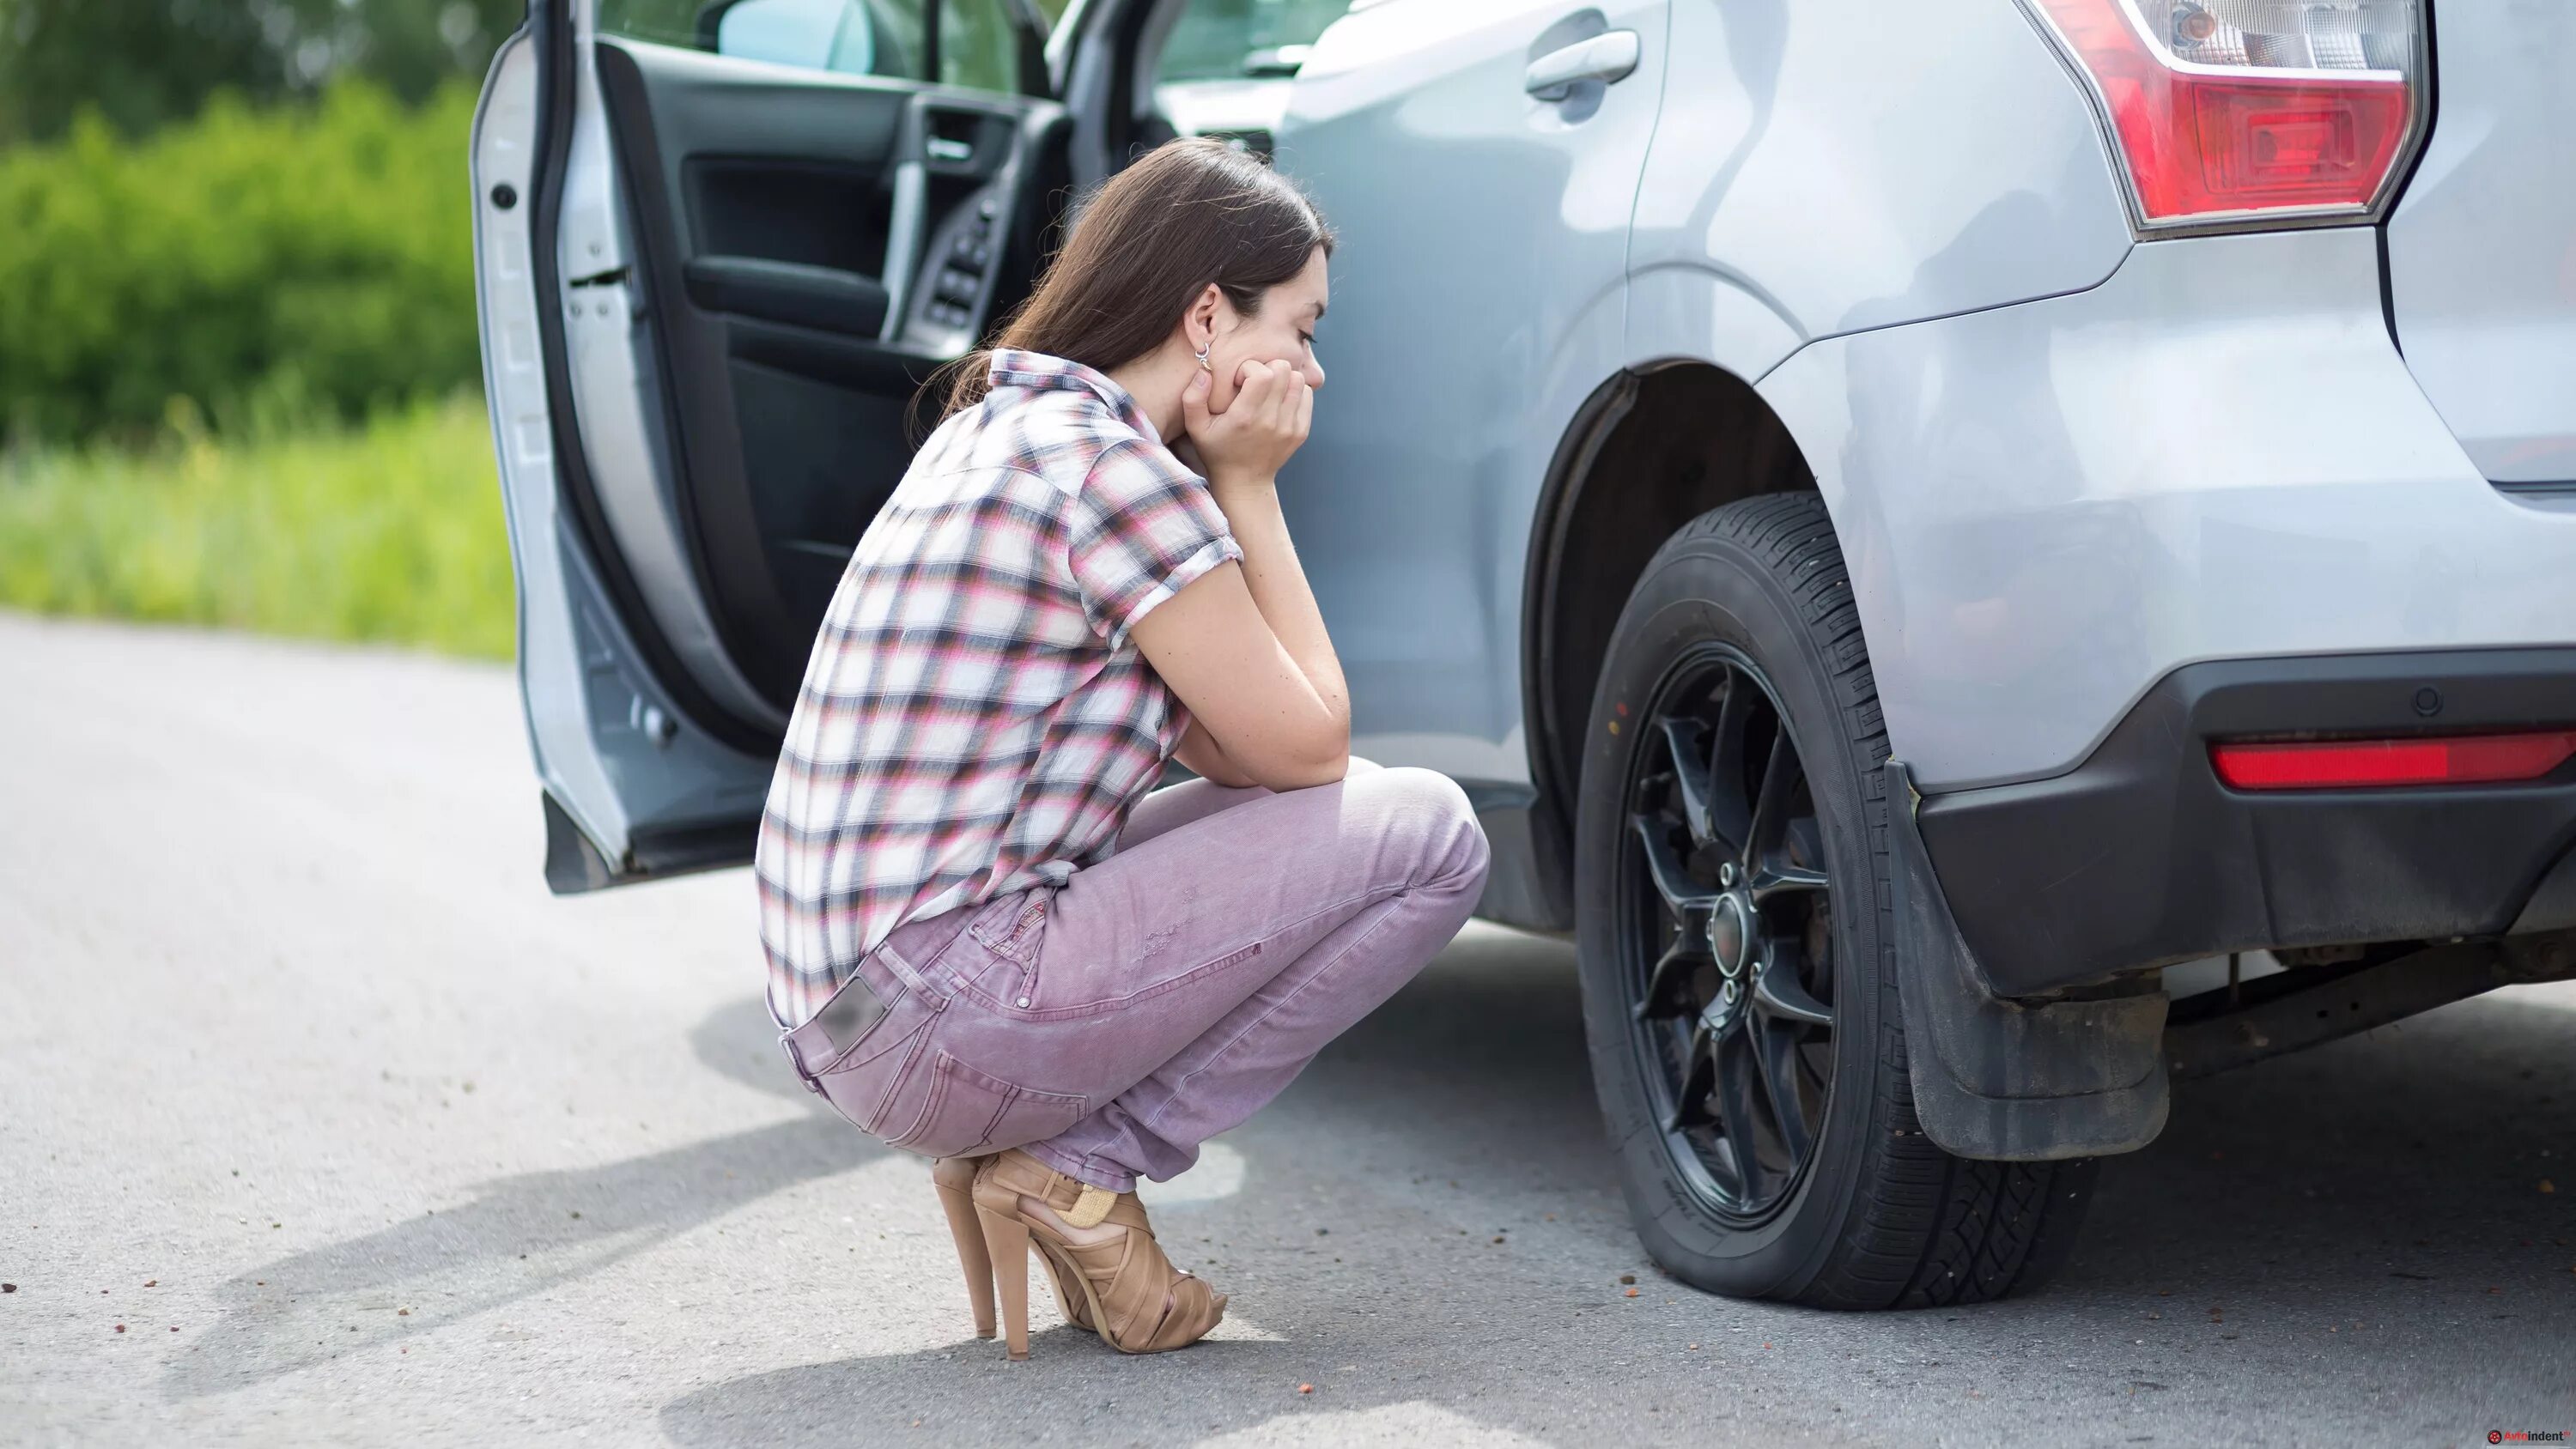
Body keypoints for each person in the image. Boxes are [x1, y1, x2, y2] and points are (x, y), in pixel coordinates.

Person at [754, 138, 1492, 1360]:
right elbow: (1312, 746)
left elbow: (1248, 757)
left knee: (1357, 813)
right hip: (939, 1010)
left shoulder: (1000, 428)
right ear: (1208, 314)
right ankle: (1079, 1167)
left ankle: (1050, 1167)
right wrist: (1248, 486)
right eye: (1300, 328)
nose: (1313, 365)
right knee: (1431, 837)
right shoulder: (1115, 475)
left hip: (850, 1013)